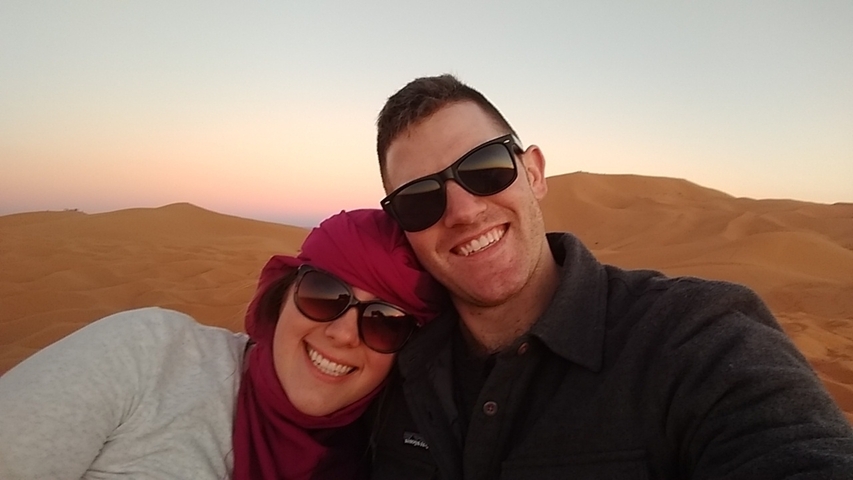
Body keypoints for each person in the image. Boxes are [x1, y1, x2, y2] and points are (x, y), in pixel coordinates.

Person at [369, 74, 853, 479]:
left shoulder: (692, 336)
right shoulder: (391, 369)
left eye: (485, 167)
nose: (463, 210)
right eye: (419, 198)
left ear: (534, 172)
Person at [0, 209, 445, 480]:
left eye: (385, 322)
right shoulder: (149, 355)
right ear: (284, 292)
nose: (343, 334)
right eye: (324, 294)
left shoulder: (400, 456)